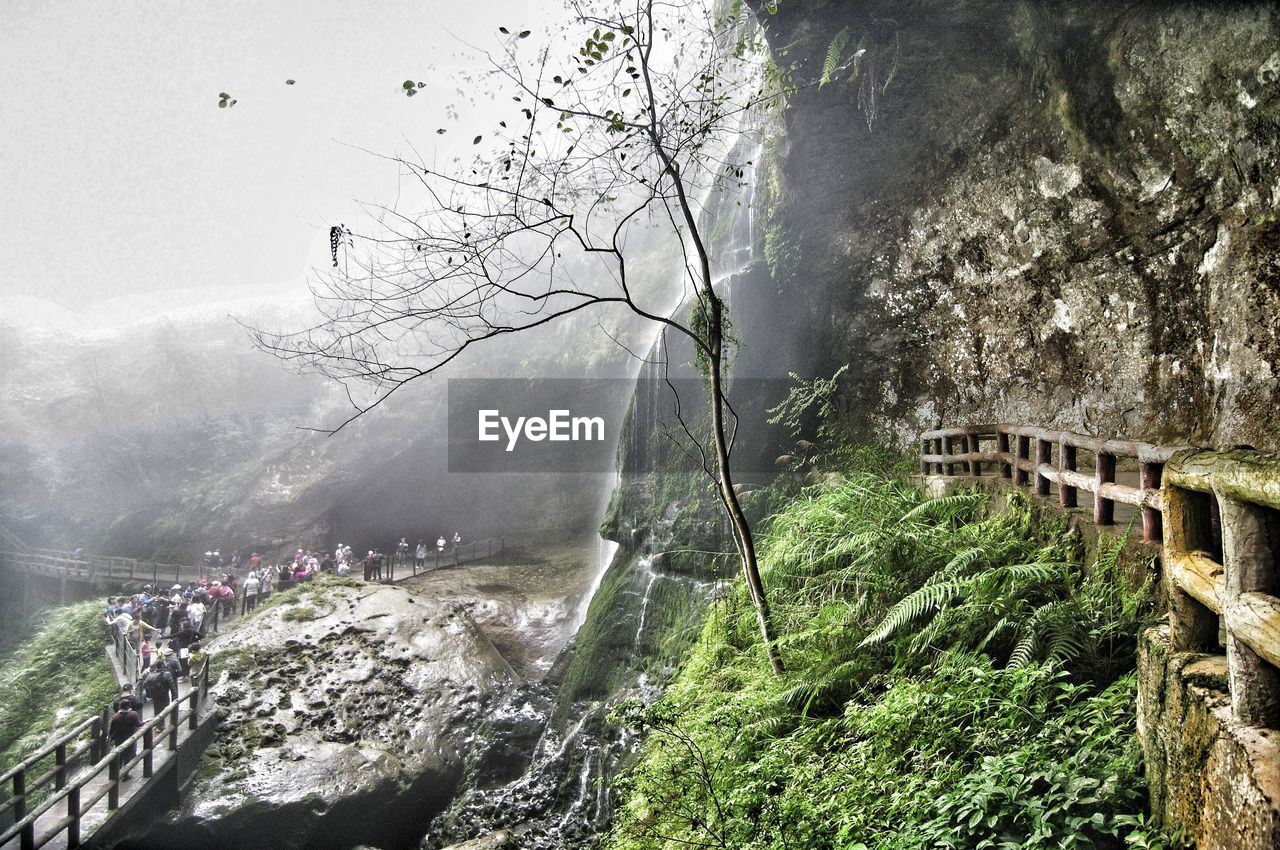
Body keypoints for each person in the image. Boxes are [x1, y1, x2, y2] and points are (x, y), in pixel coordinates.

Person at [108, 703, 143, 778]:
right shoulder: (133, 714)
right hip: (130, 737)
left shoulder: (115, 717)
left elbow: (111, 730)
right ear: (129, 706)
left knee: (120, 756)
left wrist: (110, 737)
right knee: (128, 756)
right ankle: (126, 774)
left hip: (119, 739)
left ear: (120, 707)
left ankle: (116, 773)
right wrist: (145, 721)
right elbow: (139, 724)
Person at [142, 661, 178, 729]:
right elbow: (172, 686)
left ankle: (157, 725)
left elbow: (144, 685)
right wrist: (174, 696)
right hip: (164, 694)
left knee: (157, 709)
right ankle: (161, 726)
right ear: (162, 665)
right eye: (164, 663)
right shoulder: (167, 674)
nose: (166, 664)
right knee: (164, 709)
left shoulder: (151, 674)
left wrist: (153, 689)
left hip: (155, 695)